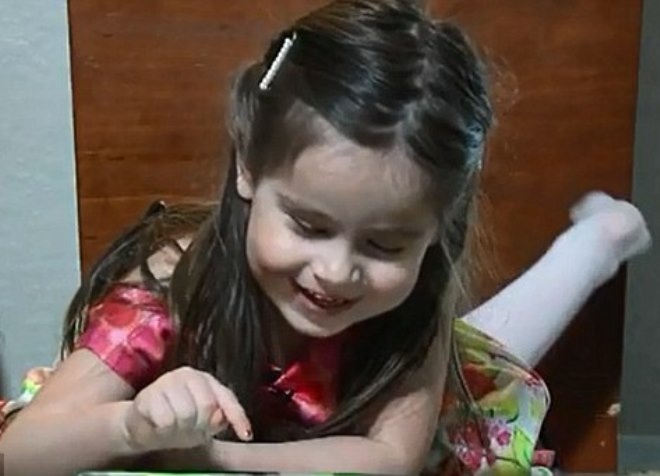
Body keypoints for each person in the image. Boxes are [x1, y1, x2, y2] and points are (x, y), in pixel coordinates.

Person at [0, 1, 651, 474]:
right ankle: (598, 239)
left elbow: (390, 460)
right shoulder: (173, 282)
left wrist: (208, 457)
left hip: (391, 401)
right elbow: (17, 451)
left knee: (478, 376)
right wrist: (132, 427)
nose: (336, 271)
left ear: (436, 229)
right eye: (309, 226)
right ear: (248, 166)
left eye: (385, 245)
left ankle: (595, 242)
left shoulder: (414, 297)